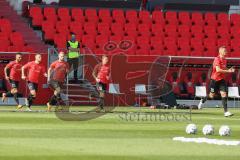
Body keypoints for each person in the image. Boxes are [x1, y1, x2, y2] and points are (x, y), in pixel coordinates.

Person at [198, 46, 235, 117]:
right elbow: (218, 70)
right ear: (220, 52)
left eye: (226, 51)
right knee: (211, 96)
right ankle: (202, 101)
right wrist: (228, 71)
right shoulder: (216, 59)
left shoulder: (225, 59)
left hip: (221, 80)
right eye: (224, 51)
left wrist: (229, 69)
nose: (226, 52)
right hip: (214, 80)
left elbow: (223, 68)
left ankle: (226, 112)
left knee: (224, 94)